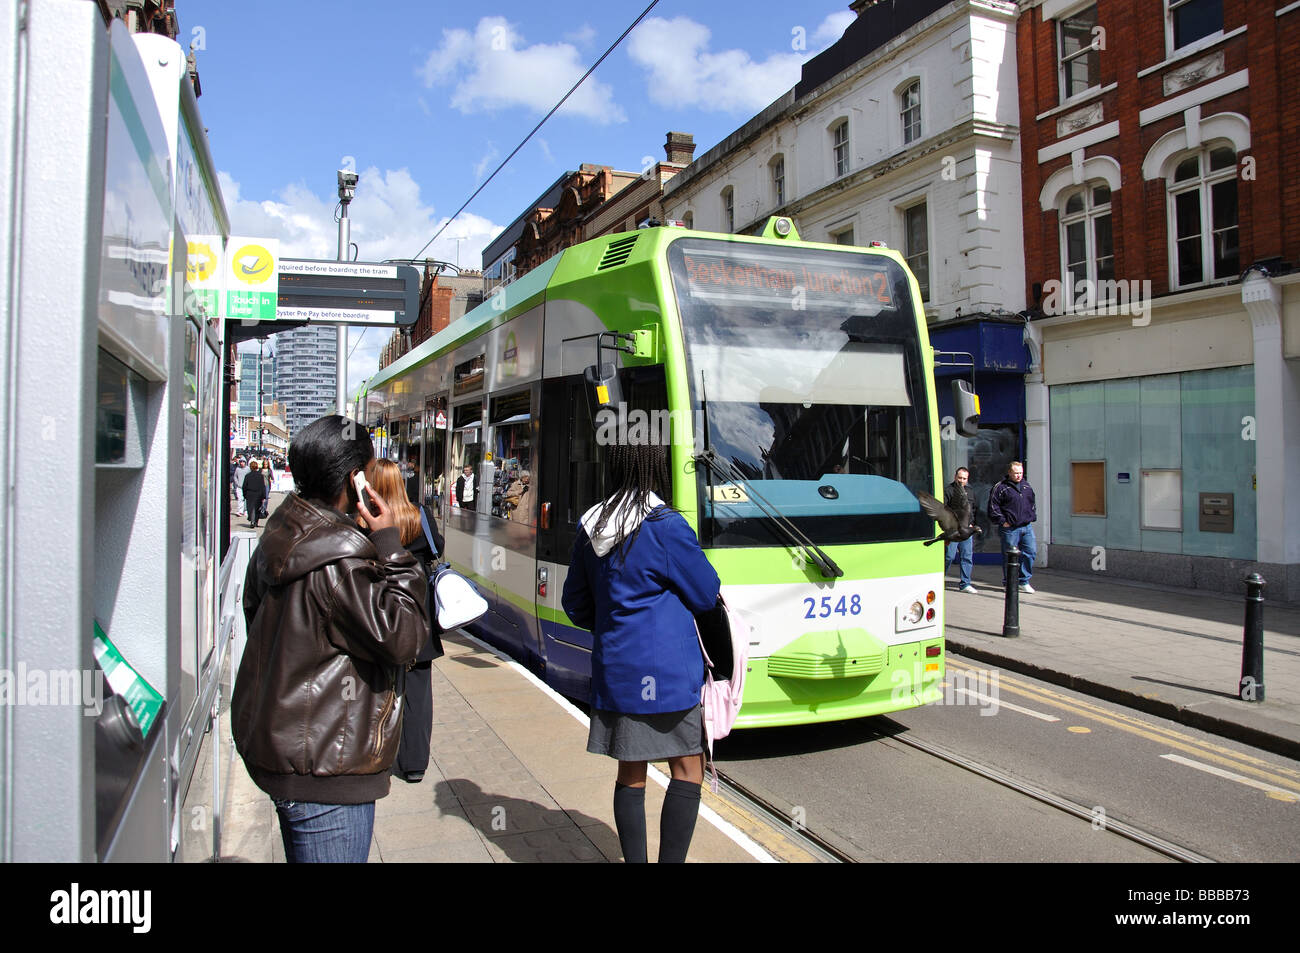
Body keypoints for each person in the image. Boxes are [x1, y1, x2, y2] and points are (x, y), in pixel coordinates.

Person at [232, 415, 428, 863]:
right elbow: (405, 637)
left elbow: (257, 622)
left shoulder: (280, 535)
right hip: (328, 772)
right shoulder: (341, 560)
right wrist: (391, 547)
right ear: (354, 479)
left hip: (286, 756)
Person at [561, 442, 720, 863]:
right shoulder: (665, 526)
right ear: (658, 466)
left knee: (631, 773)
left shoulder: (592, 526)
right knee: (688, 769)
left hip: (618, 672)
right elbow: (706, 593)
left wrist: (616, 626)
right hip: (666, 675)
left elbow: (574, 603)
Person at [363, 458, 444, 784]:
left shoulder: (364, 519)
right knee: (419, 693)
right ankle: (414, 764)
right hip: (418, 613)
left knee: (376, 687)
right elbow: (437, 547)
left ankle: (376, 756)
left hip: (379, 613)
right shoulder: (418, 514)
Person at [988, 460, 1038, 593]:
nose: (1018, 476)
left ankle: (1023, 581)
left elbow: (1032, 502)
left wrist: (1031, 515)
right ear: (1009, 472)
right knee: (1009, 556)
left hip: (1026, 526)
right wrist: (1003, 521)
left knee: (1030, 552)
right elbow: (993, 506)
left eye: (1020, 473)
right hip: (1010, 528)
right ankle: (1009, 582)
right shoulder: (1000, 487)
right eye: (1016, 473)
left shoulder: (1026, 486)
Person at [945, 467, 978, 594]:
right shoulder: (948, 490)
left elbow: (974, 509)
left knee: (967, 556)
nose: (962, 481)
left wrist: (973, 524)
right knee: (949, 556)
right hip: (953, 530)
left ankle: (965, 583)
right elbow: (944, 509)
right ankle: (940, 578)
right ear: (955, 477)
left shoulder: (970, 492)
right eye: (960, 478)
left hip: (967, 530)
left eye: (964, 479)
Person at [242, 459, 267, 529]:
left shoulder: (247, 476)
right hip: (258, 494)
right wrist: (264, 496)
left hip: (250, 494)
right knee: (257, 508)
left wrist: (244, 495)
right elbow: (263, 486)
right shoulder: (260, 476)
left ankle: (252, 521)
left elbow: (244, 486)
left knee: (251, 508)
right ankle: (255, 521)